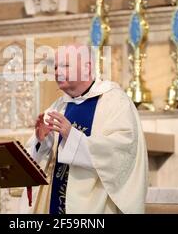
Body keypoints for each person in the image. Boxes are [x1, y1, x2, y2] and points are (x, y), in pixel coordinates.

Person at [20, 44, 148, 214]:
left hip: (93, 206)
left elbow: (121, 151)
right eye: (56, 67)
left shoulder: (113, 100)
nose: (57, 72)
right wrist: (42, 140)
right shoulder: (59, 105)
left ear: (87, 67)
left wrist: (71, 135)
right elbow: (41, 157)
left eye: (65, 65)